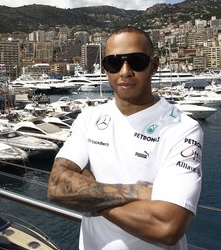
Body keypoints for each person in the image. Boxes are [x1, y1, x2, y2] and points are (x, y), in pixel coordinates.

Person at [47, 26, 204, 249]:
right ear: (105, 70)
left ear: (154, 65)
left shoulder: (183, 129)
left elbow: (167, 227)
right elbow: (56, 186)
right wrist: (137, 192)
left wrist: (88, 193)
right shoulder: (89, 118)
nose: (125, 71)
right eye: (114, 63)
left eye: (137, 61)